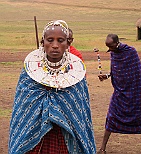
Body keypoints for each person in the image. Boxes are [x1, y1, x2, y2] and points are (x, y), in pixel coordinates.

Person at [8, 20, 96, 154]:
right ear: (43, 42)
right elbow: (23, 110)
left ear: (68, 43)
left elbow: (80, 112)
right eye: (50, 40)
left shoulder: (76, 74)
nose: (55, 45)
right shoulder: (29, 73)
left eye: (60, 40)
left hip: (66, 137)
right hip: (34, 140)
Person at [97, 34, 141, 154]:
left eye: (111, 47)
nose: (110, 50)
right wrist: (106, 76)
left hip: (134, 92)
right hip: (120, 92)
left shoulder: (131, 52)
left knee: (139, 118)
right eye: (108, 47)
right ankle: (102, 149)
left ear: (117, 43)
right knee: (111, 116)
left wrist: (139, 93)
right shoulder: (113, 53)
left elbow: (138, 72)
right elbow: (114, 71)